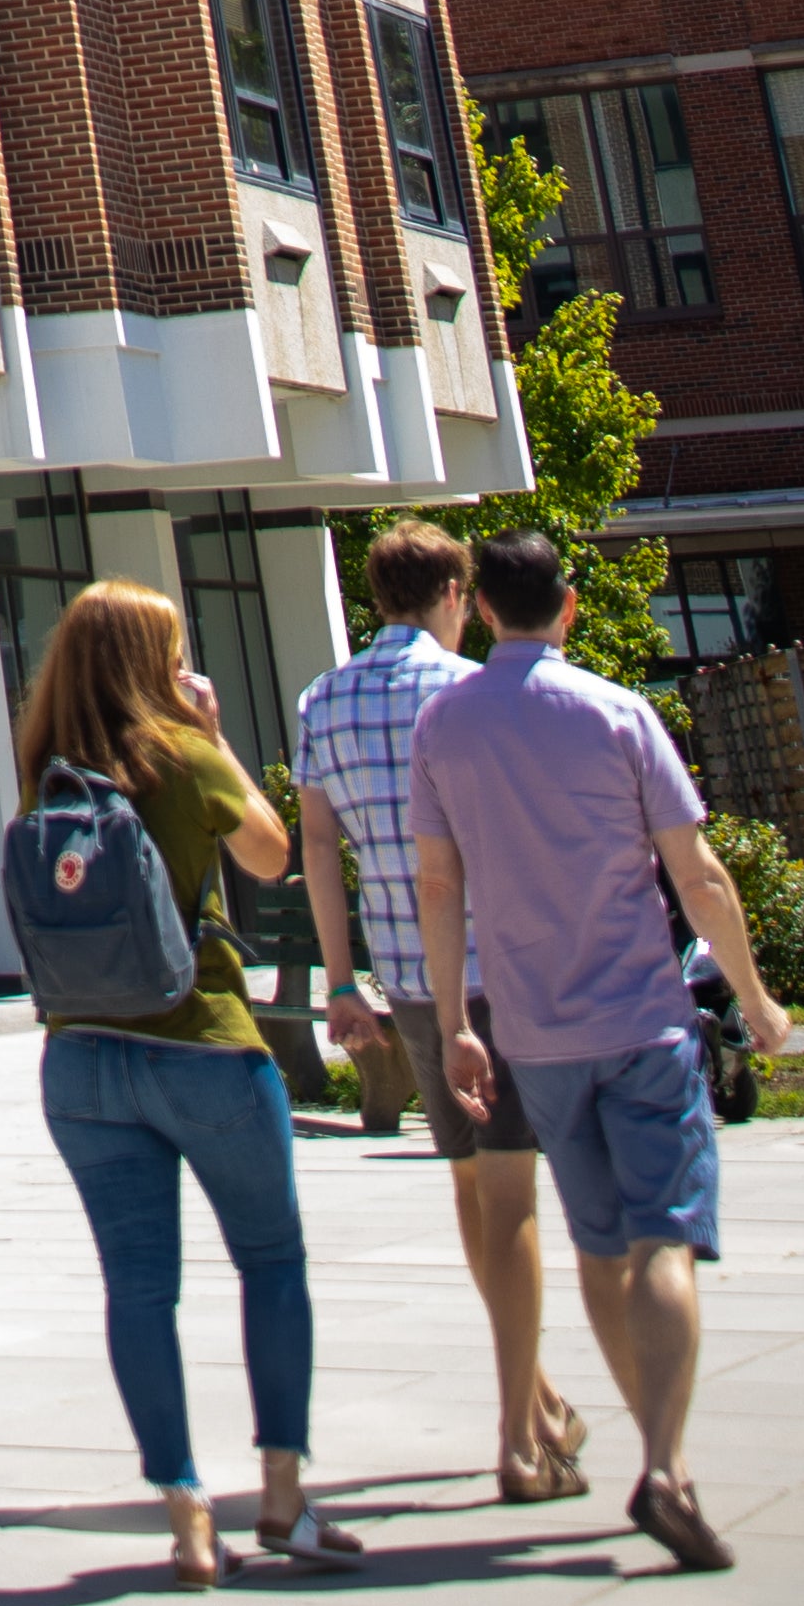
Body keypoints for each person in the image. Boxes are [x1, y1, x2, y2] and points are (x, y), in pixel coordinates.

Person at [413, 529, 794, 1576]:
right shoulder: (619, 715)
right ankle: (665, 1466)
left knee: (595, 1246)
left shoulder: (443, 722)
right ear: (566, 605)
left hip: (530, 1033)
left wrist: (452, 1021)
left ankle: (656, 1452)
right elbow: (698, 874)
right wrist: (756, 997)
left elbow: (436, 887)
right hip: (639, 1020)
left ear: (482, 609)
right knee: (663, 1243)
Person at [15, 577, 355, 1589]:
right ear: (147, 667)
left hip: (79, 1060)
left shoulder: (48, 777)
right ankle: (283, 1499)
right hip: (203, 1042)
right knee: (270, 1263)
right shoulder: (183, 754)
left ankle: (185, 1513)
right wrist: (211, 731)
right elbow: (269, 853)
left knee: (137, 1291)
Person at [293, 520, 581, 1504]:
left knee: (468, 1187)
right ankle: (519, 1438)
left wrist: (339, 980)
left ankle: (537, 1399)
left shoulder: (320, 700)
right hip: (500, 970)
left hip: (408, 976)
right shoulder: (470, 692)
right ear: (455, 592)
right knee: (513, 1196)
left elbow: (319, 853)